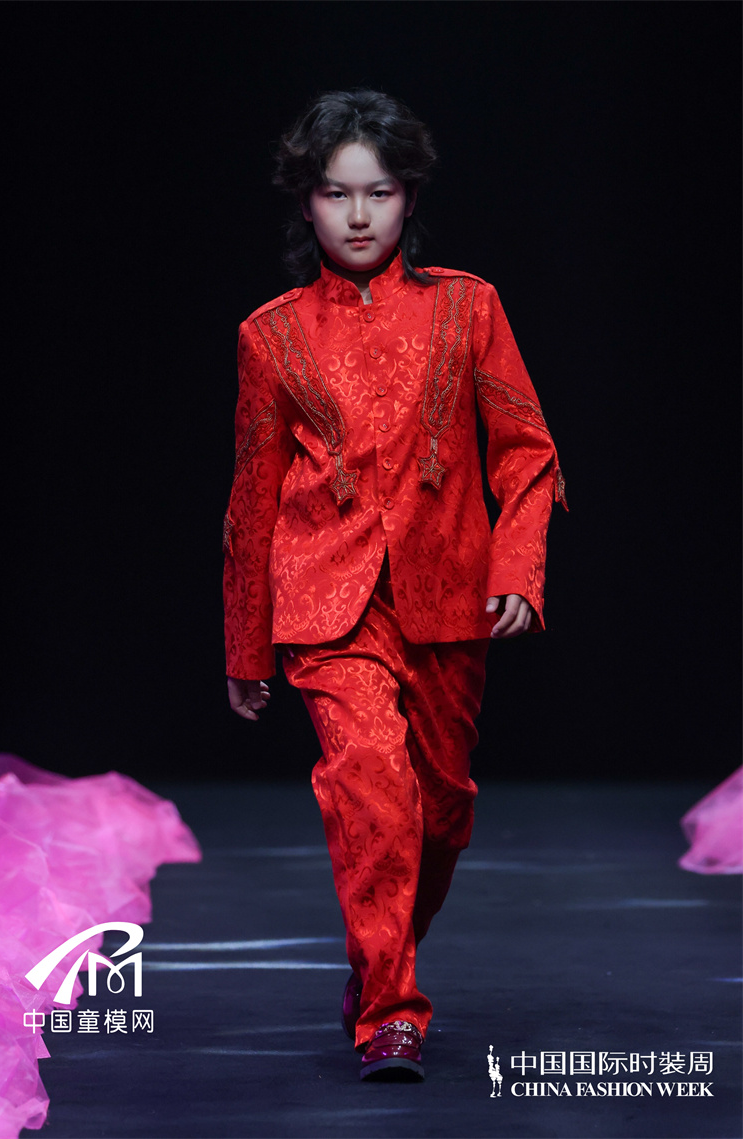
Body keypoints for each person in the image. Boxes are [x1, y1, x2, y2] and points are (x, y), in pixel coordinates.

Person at [223, 88, 566, 1081]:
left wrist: (517, 567)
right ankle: (390, 1012)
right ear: (307, 202)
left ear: (409, 196)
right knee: (371, 786)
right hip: (326, 602)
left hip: (448, 592)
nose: (359, 214)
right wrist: (245, 644)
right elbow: (252, 497)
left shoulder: (468, 306)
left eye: (378, 192)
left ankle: (380, 957)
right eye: (337, 194)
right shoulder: (270, 334)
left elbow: (527, 450)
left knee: (440, 810)